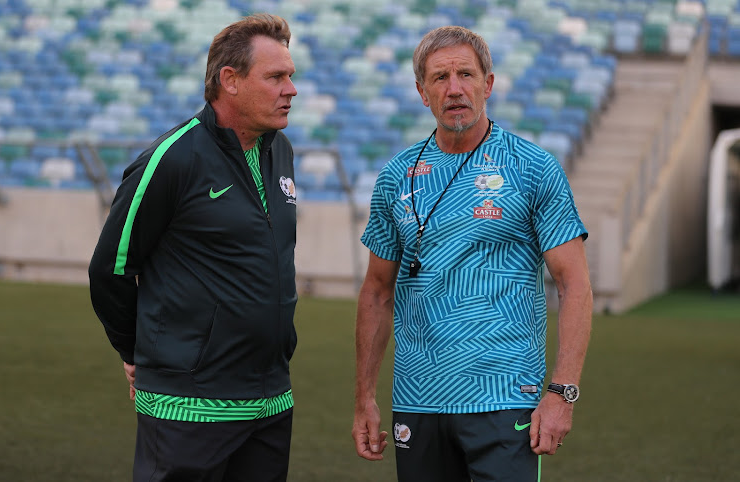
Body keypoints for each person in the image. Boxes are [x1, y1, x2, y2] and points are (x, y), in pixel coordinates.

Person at [352, 25, 592, 482]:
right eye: (440, 78)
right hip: (417, 399)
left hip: (504, 399)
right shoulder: (396, 176)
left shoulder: (533, 168)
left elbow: (574, 284)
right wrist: (364, 397)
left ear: (489, 83)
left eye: (466, 74)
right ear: (422, 93)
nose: (455, 88)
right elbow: (377, 291)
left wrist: (562, 392)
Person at [89, 13, 298, 482]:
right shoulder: (171, 158)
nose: (291, 89)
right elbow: (111, 268)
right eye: (276, 77)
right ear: (230, 80)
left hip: (270, 402)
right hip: (188, 408)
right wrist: (136, 351)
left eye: (291, 76)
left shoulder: (280, 150)